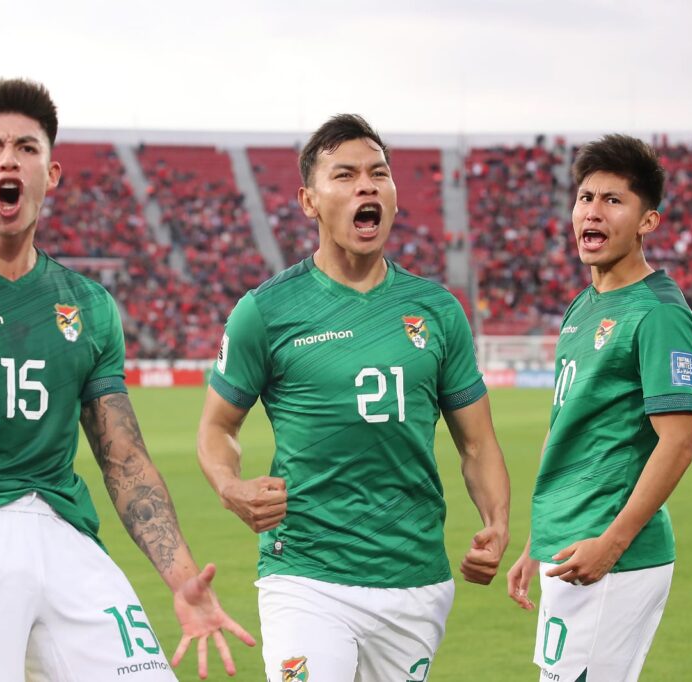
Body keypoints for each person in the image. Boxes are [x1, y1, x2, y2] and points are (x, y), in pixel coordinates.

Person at [0, 77, 253, 682]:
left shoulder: (87, 304)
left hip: (65, 533)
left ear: (51, 173)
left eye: (26, 148)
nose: (8, 159)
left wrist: (182, 578)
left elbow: (124, 458)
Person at [197, 114, 511, 680]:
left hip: (415, 577)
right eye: (345, 175)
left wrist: (497, 520)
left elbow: (478, 442)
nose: (367, 185)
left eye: (379, 173)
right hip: (305, 573)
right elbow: (217, 428)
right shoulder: (265, 311)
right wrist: (230, 486)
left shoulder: (438, 312)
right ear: (309, 200)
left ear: (393, 195)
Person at [506, 134, 692, 682]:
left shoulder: (659, 314)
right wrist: (536, 541)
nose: (592, 211)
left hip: (611, 556)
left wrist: (611, 545)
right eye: (586, 197)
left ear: (648, 221)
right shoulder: (582, 306)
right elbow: (565, 428)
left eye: (613, 200)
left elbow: (679, 443)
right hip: (566, 545)